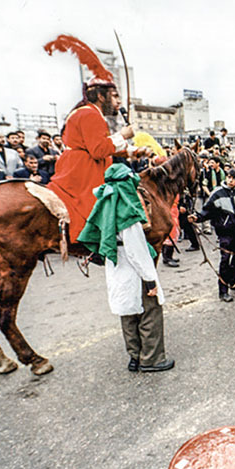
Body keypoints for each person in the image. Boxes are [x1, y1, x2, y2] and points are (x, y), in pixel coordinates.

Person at [77, 163, 173, 372]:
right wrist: (150, 280)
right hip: (134, 270)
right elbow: (137, 252)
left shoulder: (104, 205)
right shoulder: (126, 212)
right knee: (149, 312)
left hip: (116, 269)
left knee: (128, 313)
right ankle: (152, 359)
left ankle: (135, 357)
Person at [47, 76, 140, 243]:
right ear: (101, 96)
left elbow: (99, 145)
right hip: (84, 169)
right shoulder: (90, 114)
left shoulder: (87, 113)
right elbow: (98, 150)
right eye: (115, 96)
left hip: (81, 163)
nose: (118, 102)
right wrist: (123, 134)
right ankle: (101, 238)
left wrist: (132, 152)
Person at [189, 168, 235, 302]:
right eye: (230, 177)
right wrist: (197, 218)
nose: (231, 180)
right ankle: (223, 291)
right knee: (225, 261)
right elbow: (207, 211)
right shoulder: (217, 194)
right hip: (225, 233)